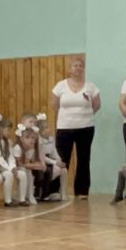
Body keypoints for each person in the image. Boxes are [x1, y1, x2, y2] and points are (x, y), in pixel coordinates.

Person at [50, 57, 101, 199]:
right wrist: (68, 117)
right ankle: (55, 190)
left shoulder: (90, 86)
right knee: (62, 158)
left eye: (80, 66)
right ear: (69, 69)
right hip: (64, 127)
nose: (78, 68)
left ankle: (82, 191)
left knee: (84, 159)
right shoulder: (60, 86)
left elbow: (96, 105)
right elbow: (55, 105)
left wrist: (84, 116)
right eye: (75, 66)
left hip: (86, 127)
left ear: (83, 69)